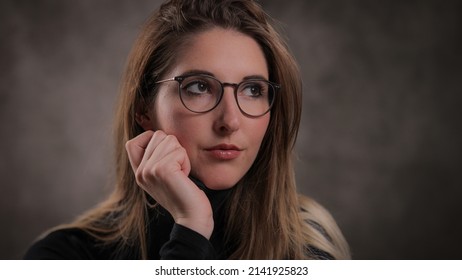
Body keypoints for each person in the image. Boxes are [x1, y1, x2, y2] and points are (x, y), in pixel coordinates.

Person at [24, 0, 350, 260]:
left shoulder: (307, 245)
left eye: (252, 90)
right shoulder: (63, 258)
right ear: (144, 110)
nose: (230, 121)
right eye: (198, 87)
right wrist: (192, 227)